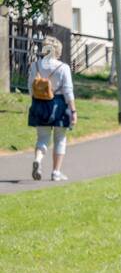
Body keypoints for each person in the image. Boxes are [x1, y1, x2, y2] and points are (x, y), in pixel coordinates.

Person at [28, 37, 77, 182]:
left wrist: (37, 101)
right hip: (59, 104)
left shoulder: (35, 66)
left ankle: (38, 159)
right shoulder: (63, 67)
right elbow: (68, 91)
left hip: (39, 104)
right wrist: (73, 111)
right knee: (60, 139)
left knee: (42, 138)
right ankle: (56, 172)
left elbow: (31, 87)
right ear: (58, 51)